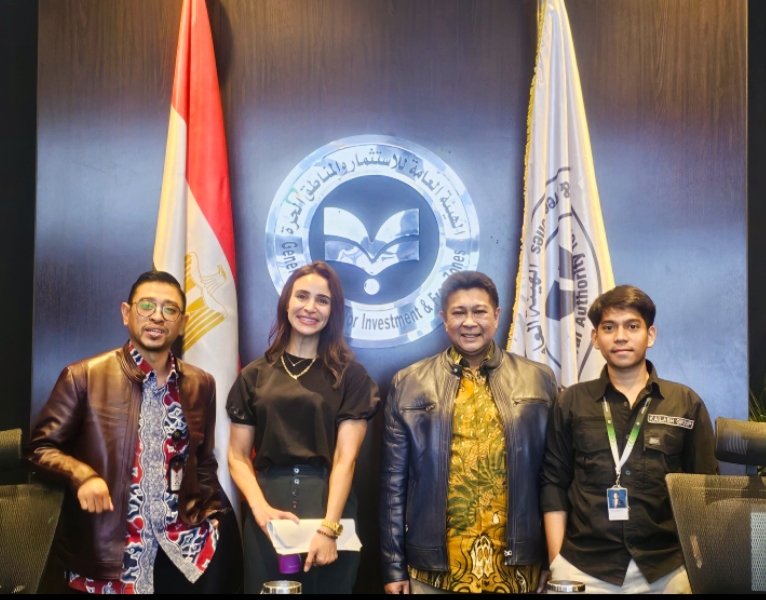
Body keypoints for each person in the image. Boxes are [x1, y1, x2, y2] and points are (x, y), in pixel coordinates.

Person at [27, 270, 242, 594]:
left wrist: (212, 517)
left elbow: (203, 461)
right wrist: (82, 474)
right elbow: (39, 448)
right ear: (127, 313)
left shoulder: (201, 384)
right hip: (112, 557)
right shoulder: (83, 377)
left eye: (170, 309)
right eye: (147, 305)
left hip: (184, 555)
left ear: (182, 323)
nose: (157, 316)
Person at [380, 271, 558, 594]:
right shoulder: (409, 383)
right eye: (459, 312)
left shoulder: (538, 380)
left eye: (479, 311)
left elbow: (553, 478)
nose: (470, 322)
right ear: (444, 319)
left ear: (497, 315)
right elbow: (394, 485)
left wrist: (552, 561)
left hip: (518, 570)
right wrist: (394, 567)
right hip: (434, 571)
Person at [541, 285, 718, 594]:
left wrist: (696, 562)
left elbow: (704, 489)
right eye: (609, 327)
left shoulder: (685, 403)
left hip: (667, 569)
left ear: (650, 335)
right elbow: (553, 483)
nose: (620, 337)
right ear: (595, 338)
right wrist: (557, 561)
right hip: (584, 567)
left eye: (632, 326)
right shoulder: (570, 402)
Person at [227, 261, 380, 594]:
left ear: (333, 311)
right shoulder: (253, 375)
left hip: (329, 506)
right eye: (302, 296)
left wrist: (329, 529)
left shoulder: (351, 377)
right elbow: (237, 455)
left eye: (322, 300)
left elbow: (346, 459)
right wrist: (259, 509)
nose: (310, 307)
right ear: (286, 303)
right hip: (267, 512)